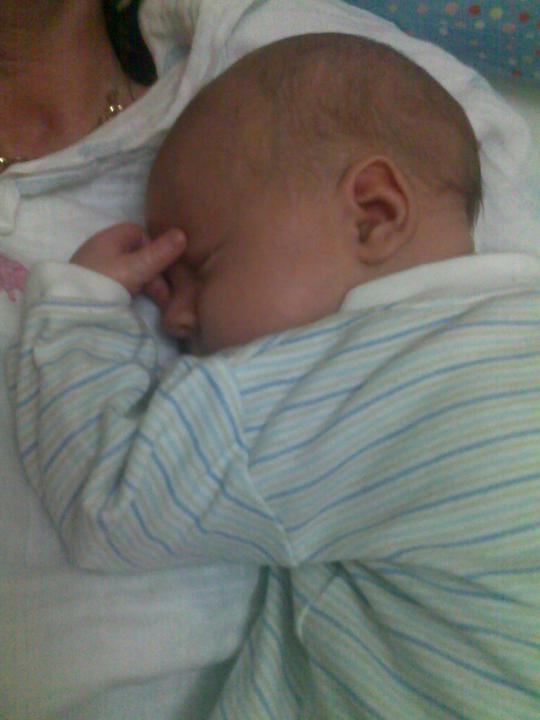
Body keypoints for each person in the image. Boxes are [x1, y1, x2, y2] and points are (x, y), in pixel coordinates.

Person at [9, 34, 540, 718]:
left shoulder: (370, 383)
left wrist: (81, 309)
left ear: (374, 215)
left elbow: (117, 494)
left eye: (202, 268)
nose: (176, 316)